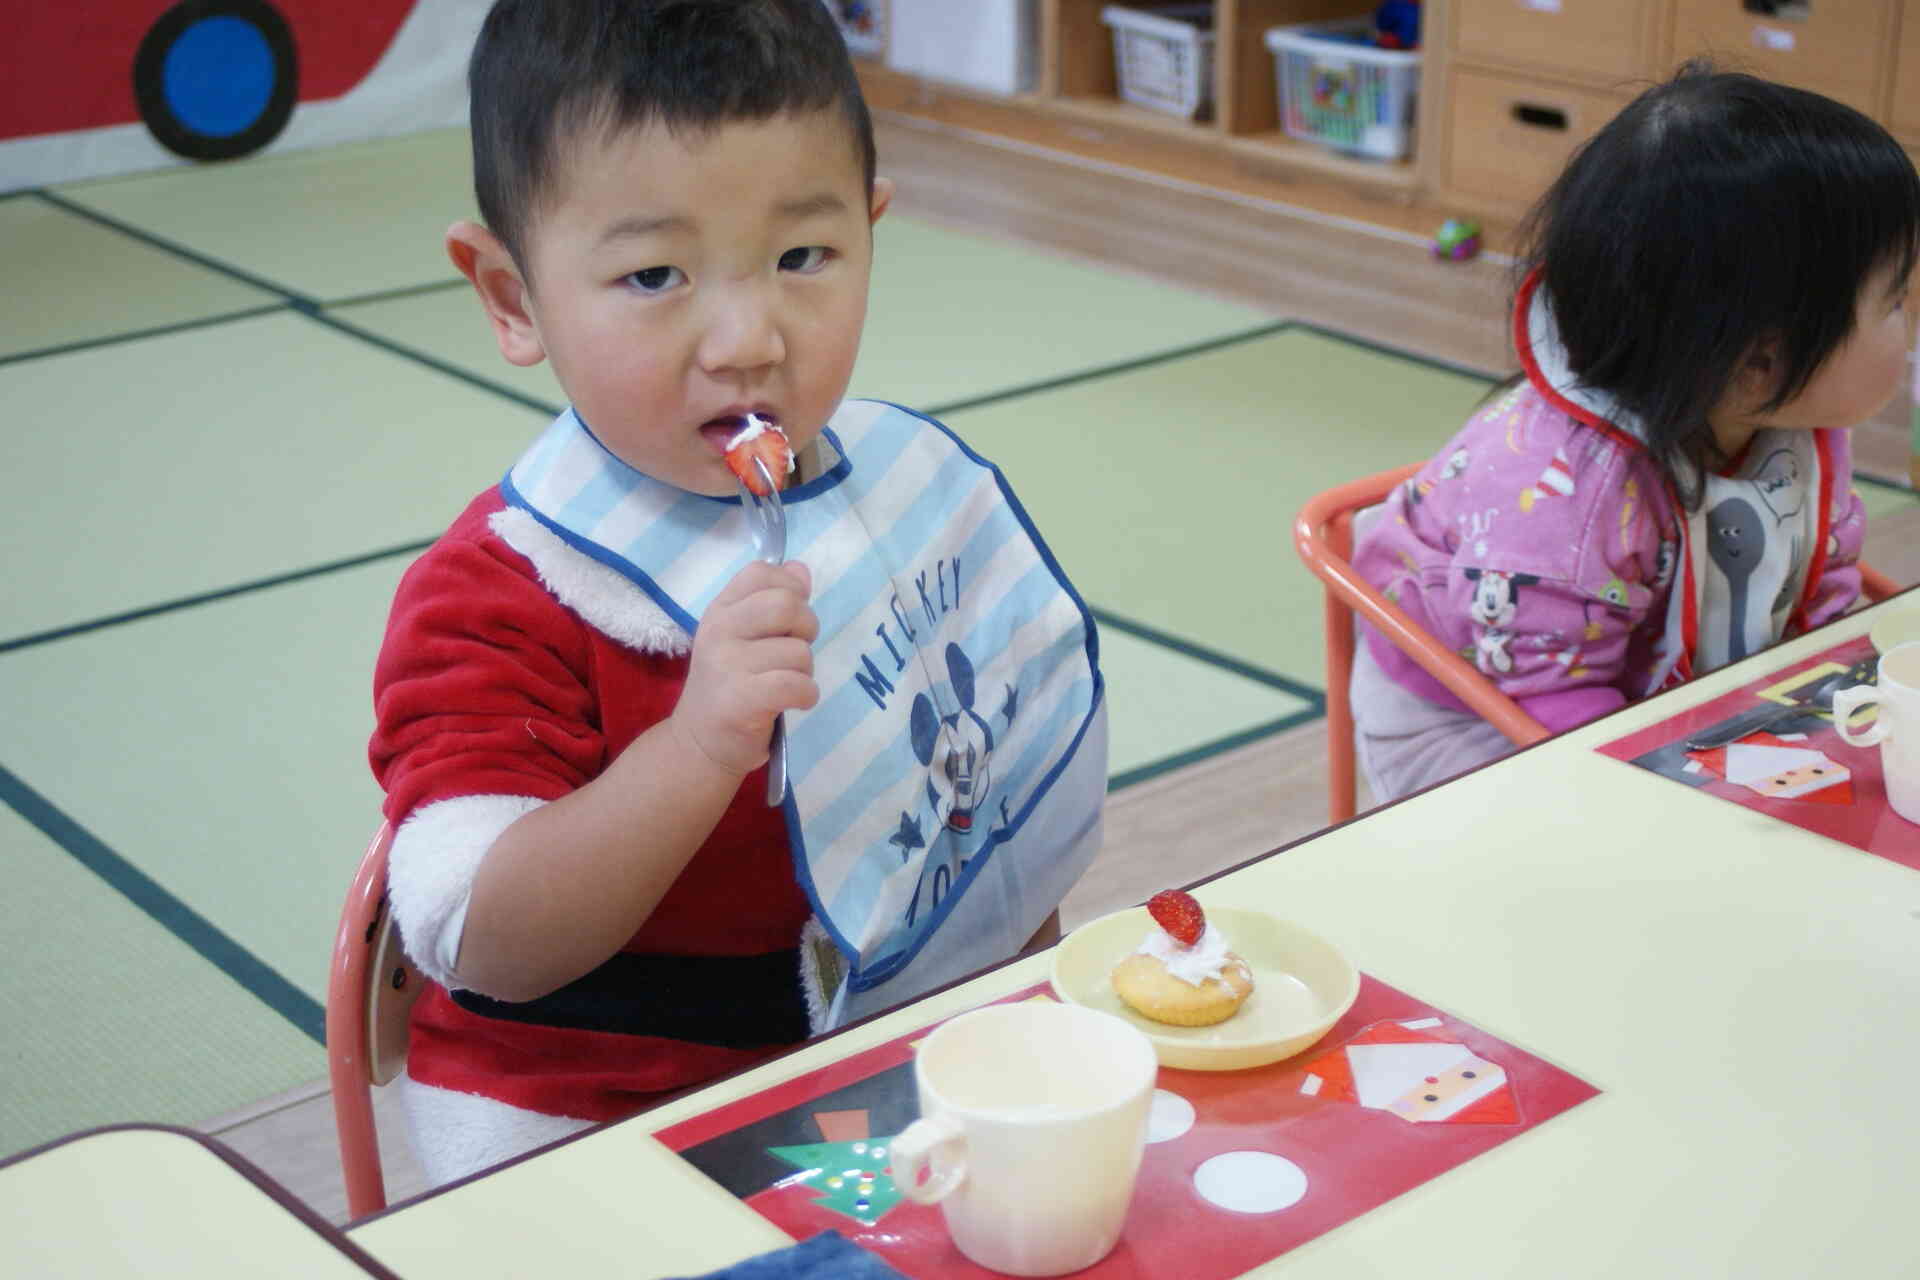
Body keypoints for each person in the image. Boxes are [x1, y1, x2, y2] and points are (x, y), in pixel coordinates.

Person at [367, 0, 1107, 1187]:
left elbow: (983, 801)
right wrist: (698, 745)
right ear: (511, 296)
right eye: (655, 273)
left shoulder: (897, 489)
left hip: (856, 1054)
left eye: (802, 256)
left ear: (873, 229)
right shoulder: (504, 589)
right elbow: (480, 938)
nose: (748, 338)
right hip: (593, 1111)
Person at [1349, 63, 1918, 803]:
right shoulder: (1572, 496)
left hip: (1657, 689)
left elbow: (1816, 580)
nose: (1911, 330)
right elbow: (1547, 696)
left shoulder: (1793, 420)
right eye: (1899, 300)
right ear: (1757, 359)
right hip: (1470, 714)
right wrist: (1667, 797)